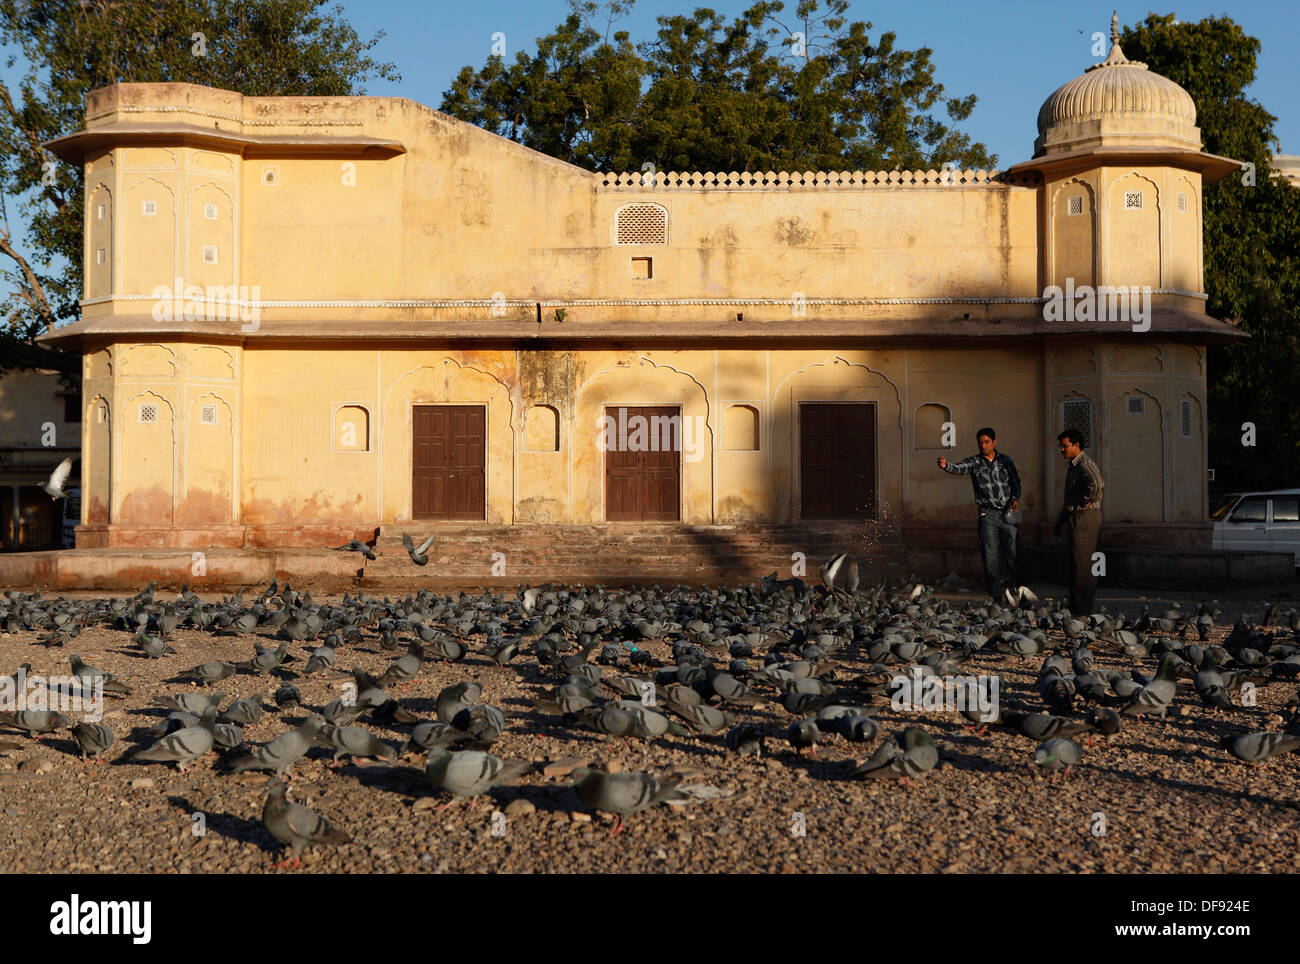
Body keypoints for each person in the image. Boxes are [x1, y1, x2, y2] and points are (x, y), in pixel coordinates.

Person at [937, 427, 1032, 605]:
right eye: (980, 442)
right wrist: (946, 466)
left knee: (1015, 556)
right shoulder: (975, 462)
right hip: (987, 515)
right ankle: (996, 598)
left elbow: (1015, 481)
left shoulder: (1005, 461)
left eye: (987, 442)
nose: (983, 445)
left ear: (994, 442)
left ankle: (1022, 595)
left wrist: (1015, 498)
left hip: (1007, 514)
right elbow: (959, 468)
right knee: (990, 558)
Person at [1054, 428, 1105, 614]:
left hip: (1086, 516)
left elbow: (1097, 484)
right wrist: (1061, 521)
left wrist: (1087, 499)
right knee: (1077, 562)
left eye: (1064, 445)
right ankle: (1076, 605)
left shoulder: (1085, 464)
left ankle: (1083, 608)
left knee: (1084, 564)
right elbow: (1070, 499)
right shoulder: (1074, 466)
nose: (1061, 449)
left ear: (1076, 445)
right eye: (1060, 446)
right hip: (1076, 516)